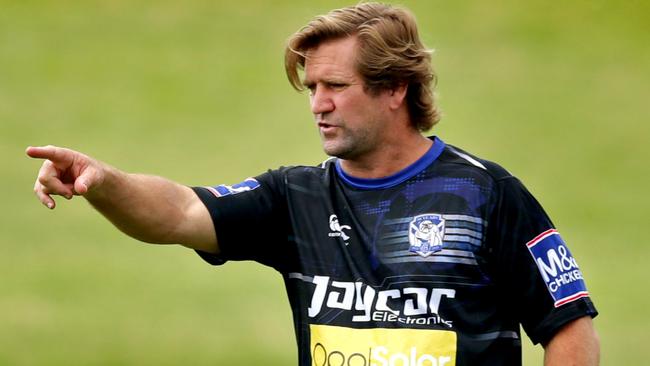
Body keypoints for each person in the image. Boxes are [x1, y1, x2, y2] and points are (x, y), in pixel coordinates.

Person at [27, 3, 599, 365]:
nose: (318, 105)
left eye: (335, 86)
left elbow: (568, 326)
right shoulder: (293, 199)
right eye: (310, 89)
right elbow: (177, 213)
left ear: (395, 88)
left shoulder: (486, 194)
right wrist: (102, 183)